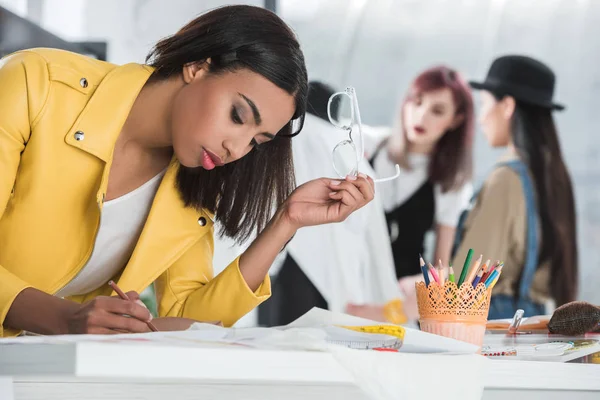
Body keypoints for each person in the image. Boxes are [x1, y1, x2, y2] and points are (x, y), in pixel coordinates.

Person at [0, 5, 375, 337]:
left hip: (47, 373)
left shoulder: (190, 186)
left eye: (256, 142)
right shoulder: (37, 84)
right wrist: (65, 319)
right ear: (197, 66)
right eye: (237, 116)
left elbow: (186, 320)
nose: (237, 149)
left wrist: (286, 222)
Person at [260, 81, 403, 326]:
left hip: (275, 260)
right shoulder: (346, 149)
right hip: (332, 278)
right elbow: (374, 237)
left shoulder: (275, 138)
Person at [453, 55, 578, 319]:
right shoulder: (551, 175)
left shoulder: (506, 178)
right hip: (532, 321)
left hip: (492, 326)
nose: (481, 118)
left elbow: (466, 282)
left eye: (484, 103)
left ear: (507, 105)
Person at [348, 66, 475, 321]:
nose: (421, 116)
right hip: (351, 284)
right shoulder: (369, 145)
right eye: (416, 102)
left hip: (396, 301)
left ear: (456, 120)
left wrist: (420, 282)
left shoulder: (451, 182)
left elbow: (442, 267)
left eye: (437, 111)